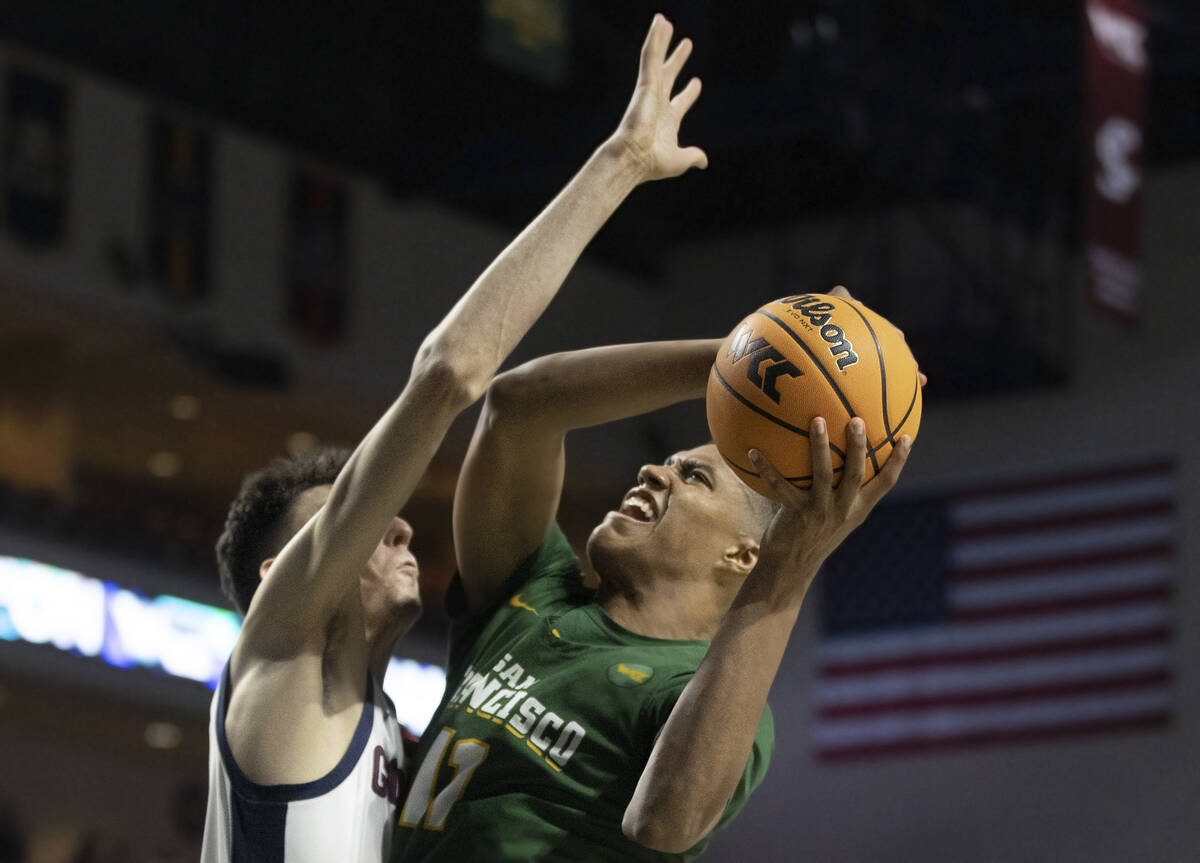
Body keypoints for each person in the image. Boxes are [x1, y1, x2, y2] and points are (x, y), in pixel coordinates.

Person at [200, 13, 708, 863]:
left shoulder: (398, 746)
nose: (399, 525)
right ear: (276, 576)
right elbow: (450, 374)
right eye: (356, 520)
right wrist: (618, 163)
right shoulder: (280, 657)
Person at [391, 304, 914, 860]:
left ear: (744, 554)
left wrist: (790, 567)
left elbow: (666, 821)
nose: (653, 472)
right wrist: (747, 358)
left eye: (694, 476)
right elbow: (517, 405)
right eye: (668, 461)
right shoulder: (533, 594)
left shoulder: (694, 693)